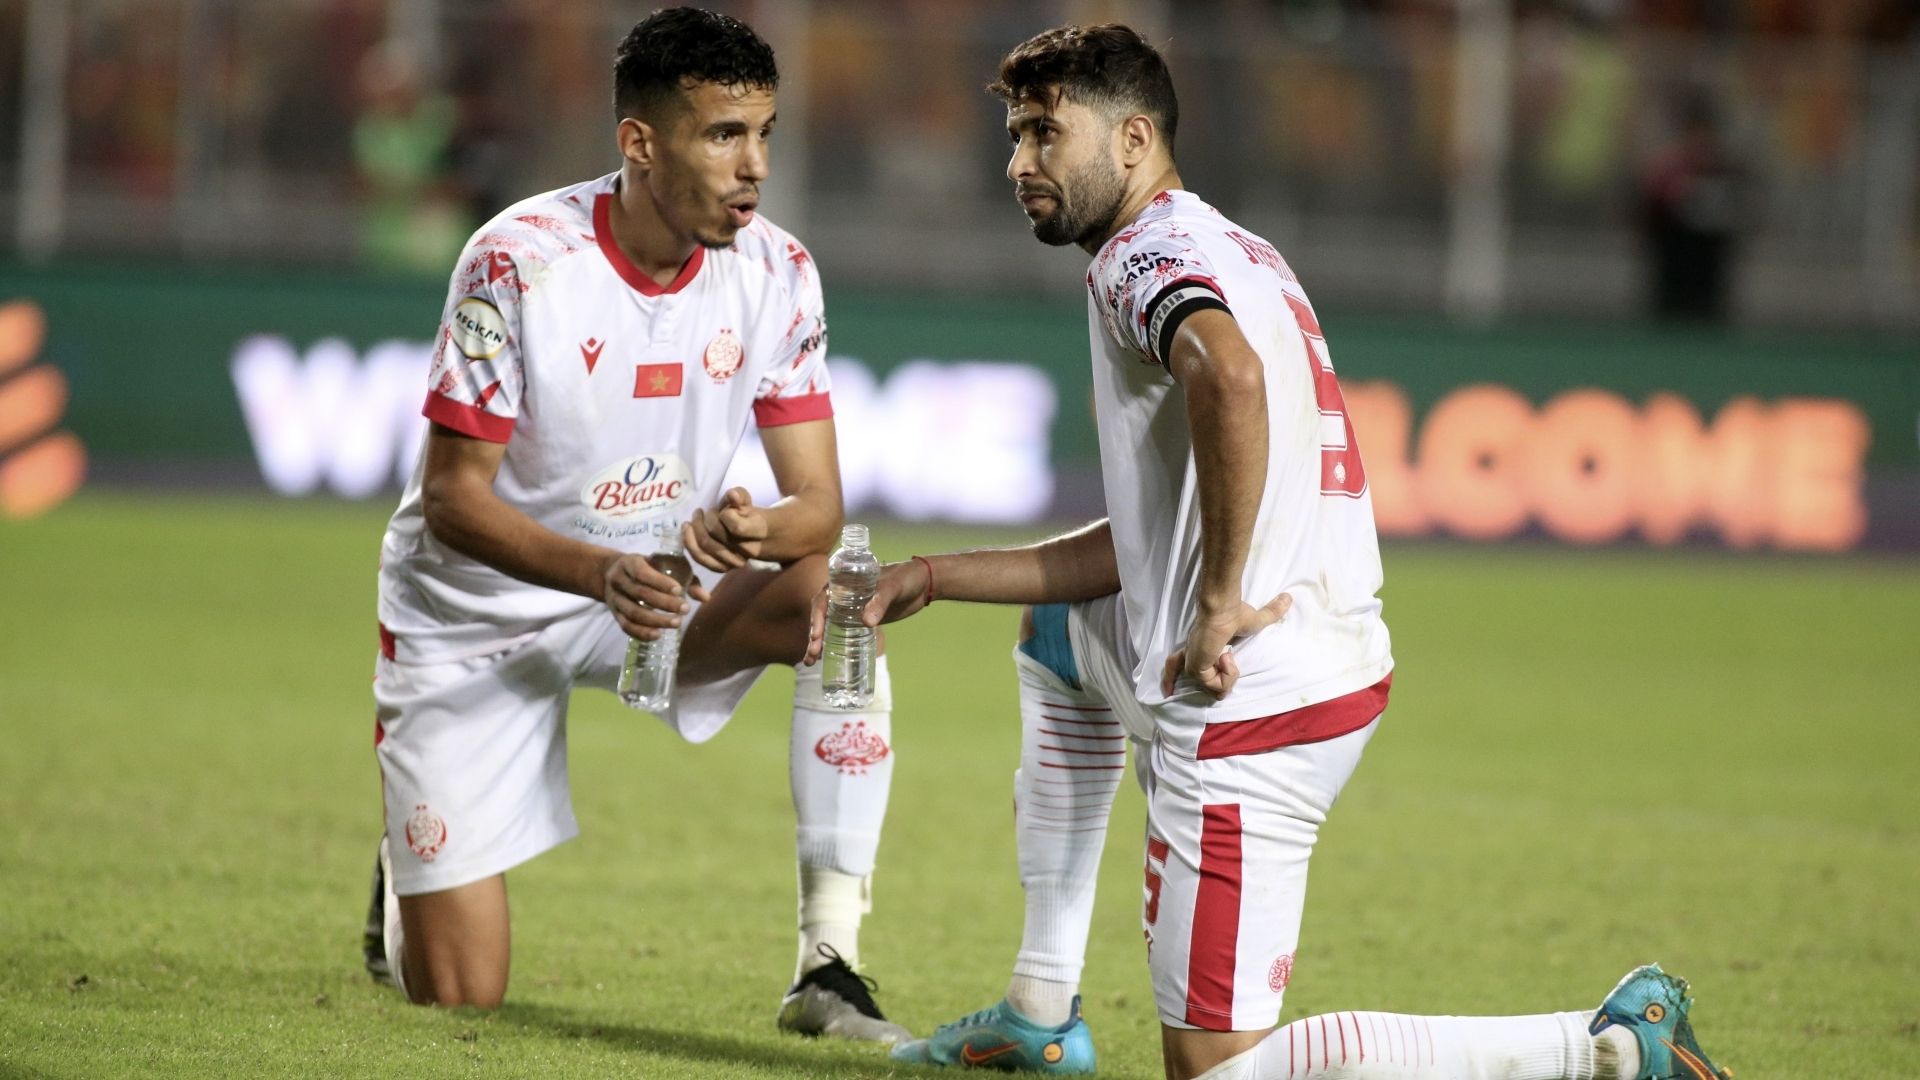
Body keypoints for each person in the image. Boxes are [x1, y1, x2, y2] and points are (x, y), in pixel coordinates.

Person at [810, 24, 1731, 1080]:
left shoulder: (1140, 257)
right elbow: (1145, 543)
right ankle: (1039, 1010)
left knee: (1216, 1074)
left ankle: (1608, 1046)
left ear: (1133, 138)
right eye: (1016, 135)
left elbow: (1230, 377)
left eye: (1043, 134)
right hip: (1320, 653)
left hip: (1253, 705)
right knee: (1060, 633)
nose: (1019, 162)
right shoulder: (1234, 246)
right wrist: (930, 579)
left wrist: (1219, 597)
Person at [358, 8, 906, 1044]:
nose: (753, 167)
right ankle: (402, 873)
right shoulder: (516, 261)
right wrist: (598, 572)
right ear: (640, 142)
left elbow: (820, 509)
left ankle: (830, 963)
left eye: (765, 133)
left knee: (842, 598)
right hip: (473, 614)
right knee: (458, 993)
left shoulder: (779, 272)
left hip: (651, 599)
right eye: (722, 135)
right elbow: (452, 500)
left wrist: (759, 530)